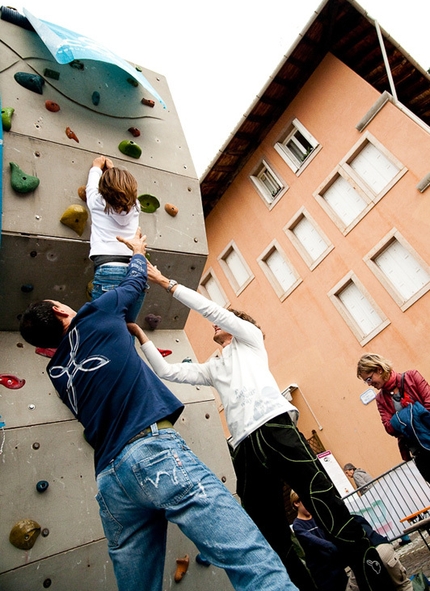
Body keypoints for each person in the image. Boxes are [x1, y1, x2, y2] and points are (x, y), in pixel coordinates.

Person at [18, 228, 298, 591]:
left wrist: (136, 336)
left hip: (110, 480)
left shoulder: (56, 373)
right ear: (59, 309)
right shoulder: (95, 315)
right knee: (252, 561)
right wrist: (137, 251)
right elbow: (135, 283)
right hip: (153, 453)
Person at [128, 263, 396, 591]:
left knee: (326, 504)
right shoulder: (214, 366)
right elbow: (170, 372)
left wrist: (166, 283)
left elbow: (211, 309)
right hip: (245, 447)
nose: (214, 321)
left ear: (238, 325)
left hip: (276, 428)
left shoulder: (250, 339)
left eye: (223, 319)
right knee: (269, 532)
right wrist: (141, 336)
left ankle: (377, 582)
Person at [86, 155, 146, 321]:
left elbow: (91, 187)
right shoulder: (136, 206)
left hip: (109, 268)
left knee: (102, 326)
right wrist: (112, 170)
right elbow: (121, 190)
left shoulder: (97, 202)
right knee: (127, 327)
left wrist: (97, 167)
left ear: (104, 191)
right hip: (135, 270)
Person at [357, 353, 430, 483]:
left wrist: (400, 420)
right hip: (422, 456)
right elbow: (389, 428)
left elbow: (429, 405)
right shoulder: (380, 399)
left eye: (368, 379)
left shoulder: (412, 376)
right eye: (366, 381)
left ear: (379, 369)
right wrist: (415, 411)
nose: (369, 384)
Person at [290, 490, 349, 591]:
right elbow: (315, 541)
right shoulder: (298, 525)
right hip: (323, 573)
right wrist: (333, 547)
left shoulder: (317, 515)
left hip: (336, 565)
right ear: (296, 503)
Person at [347, 515, 412, 591]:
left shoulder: (335, 529)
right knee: (403, 585)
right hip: (382, 547)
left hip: (364, 557)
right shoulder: (355, 518)